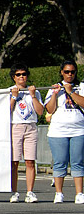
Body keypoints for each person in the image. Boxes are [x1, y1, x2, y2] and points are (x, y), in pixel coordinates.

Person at [44, 60, 84, 204]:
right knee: (60, 162)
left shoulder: (81, 87)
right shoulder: (54, 88)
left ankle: (79, 193)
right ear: (62, 72)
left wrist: (71, 91)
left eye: (72, 72)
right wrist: (55, 94)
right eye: (66, 72)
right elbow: (50, 109)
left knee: (77, 162)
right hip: (58, 131)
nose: (69, 75)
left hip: (78, 129)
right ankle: (59, 193)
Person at [7, 63, 42, 203]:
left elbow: (40, 111)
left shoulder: (34, 91)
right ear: (14, 77)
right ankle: (14, 192)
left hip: (31, 126)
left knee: (30, 161)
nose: (22, 77)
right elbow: (5, 112)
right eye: (18, 75)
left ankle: (30, 192)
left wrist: (33, 96)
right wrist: (14, 97)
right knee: (14, 162)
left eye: (24, 74)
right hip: (15, 126)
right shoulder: (9, 91)